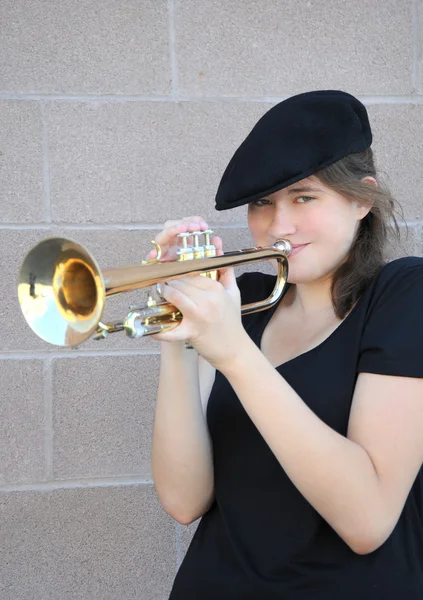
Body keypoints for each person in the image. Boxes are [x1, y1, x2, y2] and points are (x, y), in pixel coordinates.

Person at [149, 90, 423, 599]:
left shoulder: (404, 295)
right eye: (263, 203)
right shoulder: (245, 301)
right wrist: (176, 337)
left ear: (362, 198)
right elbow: (184, 500)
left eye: (304, 197)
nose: (279, 227)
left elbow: (367, 521)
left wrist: (233, 353)